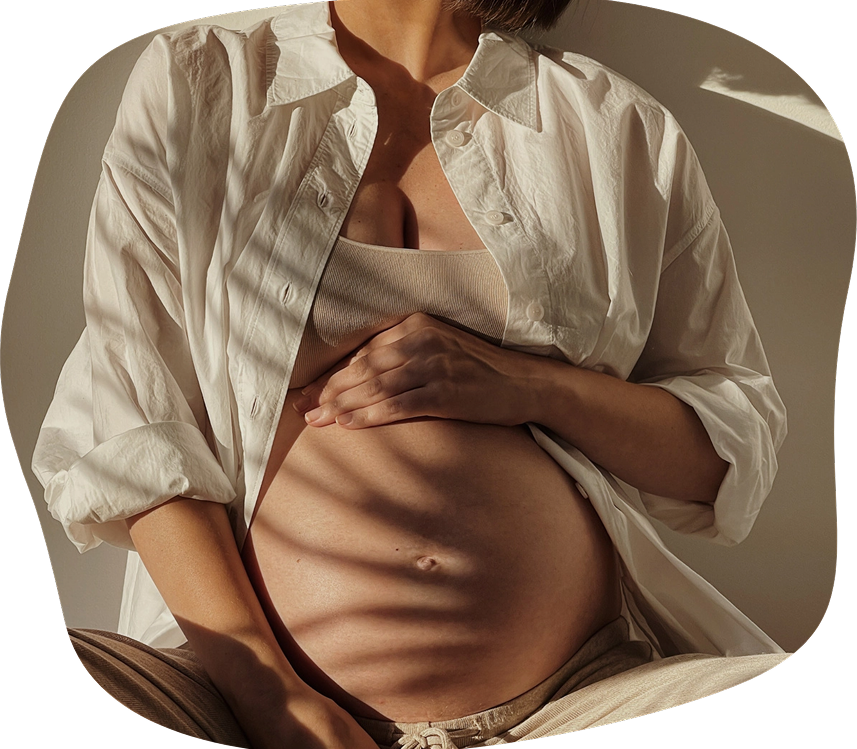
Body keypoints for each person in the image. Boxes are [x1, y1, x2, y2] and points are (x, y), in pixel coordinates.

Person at [31, 1, 792, 747]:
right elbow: (133, 414)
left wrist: (528, 385)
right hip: (240, 695)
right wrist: (275, 699)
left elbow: (725, 449)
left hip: (578, 692)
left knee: (800, 720)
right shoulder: (201, 82)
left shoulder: (616, 127)